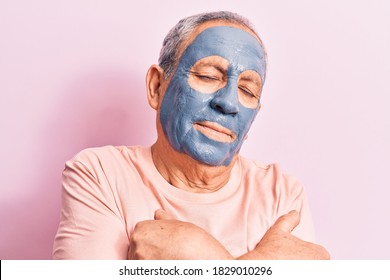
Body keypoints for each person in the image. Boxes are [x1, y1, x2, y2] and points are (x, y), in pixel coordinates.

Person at [53, 11, 330, 260]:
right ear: (157, 86)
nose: (229, 103)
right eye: (209, 76)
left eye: (247, 90)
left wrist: (199, 254)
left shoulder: (281, 192)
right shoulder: (100, 174)